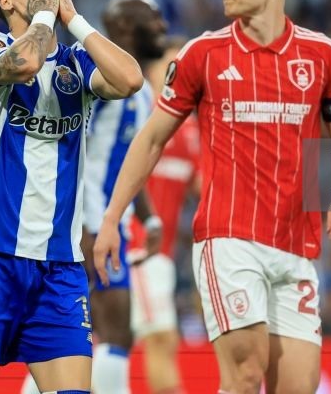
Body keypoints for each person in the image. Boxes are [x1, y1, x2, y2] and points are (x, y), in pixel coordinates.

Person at [93, 0, 331, 394]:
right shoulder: (203, 54)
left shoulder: (323, 56)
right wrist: (113, 217)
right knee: (244, 372)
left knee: (298, 386)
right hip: (228, 240)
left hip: (297, 245)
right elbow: (151, 138)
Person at [0, 0, 143, 394]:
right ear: (6, 0)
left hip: (60, 265)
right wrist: (47, 14)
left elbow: (130, 80)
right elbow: (25, 63)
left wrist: (75, 18)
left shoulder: (76, 65)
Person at [22, 0, 167, 394]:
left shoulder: (141, 90)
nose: (163, 27)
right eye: (152, 19)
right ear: (123, 27)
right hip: (87, 222)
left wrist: (148, 216)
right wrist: (80, 224)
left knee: (71, 331)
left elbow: (128, 164)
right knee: (114, 331)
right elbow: (70, 149)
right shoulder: (98, 78)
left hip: (109, 221)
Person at [128, 37, 200, 394]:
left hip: (162, 255)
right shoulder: (137, 117)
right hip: (137, 251)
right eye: (169, 67)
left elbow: (208, 191)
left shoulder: (193, 133)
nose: (176, 75)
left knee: (107, 345)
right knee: (161, 340)